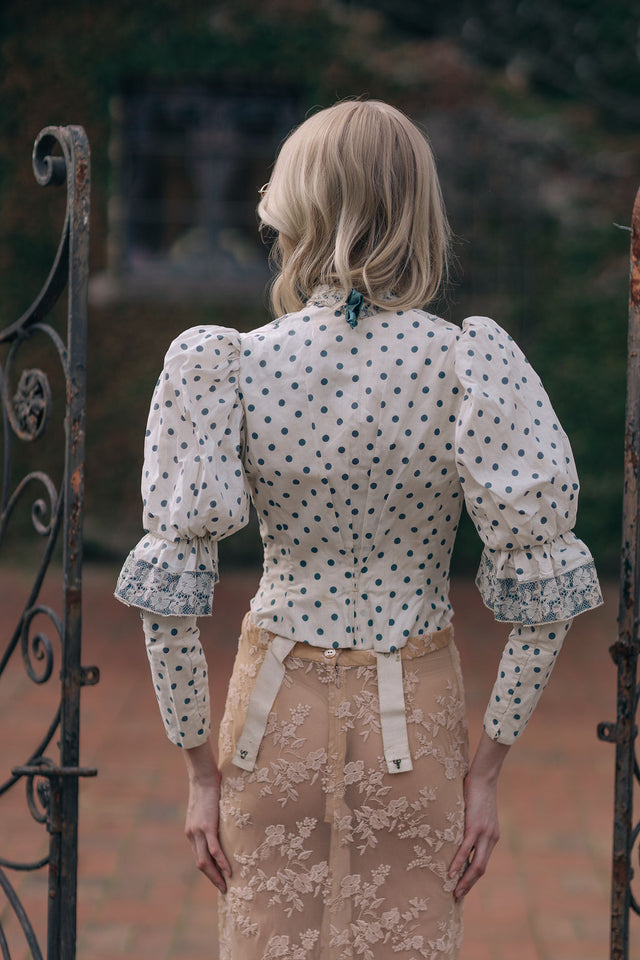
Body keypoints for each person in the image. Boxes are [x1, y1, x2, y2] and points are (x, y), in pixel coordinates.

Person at [115, 99, 603, 960]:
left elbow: (169, 591)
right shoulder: (467, 361)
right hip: (416, 720)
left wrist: (197, 771)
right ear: (416, 209)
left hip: (270, 726)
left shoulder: (231, 363)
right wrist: (487, 771)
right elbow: (546, 588)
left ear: (298, 203)